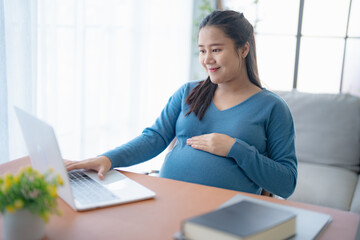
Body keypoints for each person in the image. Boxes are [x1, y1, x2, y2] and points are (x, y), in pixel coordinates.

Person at [66, 10, 297, 199]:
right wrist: (107, 159)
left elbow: (286, 183)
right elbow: (153, 138)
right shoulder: (188, 92)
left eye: (216, 49)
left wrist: (235, 149)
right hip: (166, 199)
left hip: (227, 216)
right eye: (202, 50)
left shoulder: (272, 108)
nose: (207, 59)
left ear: (243, 49)